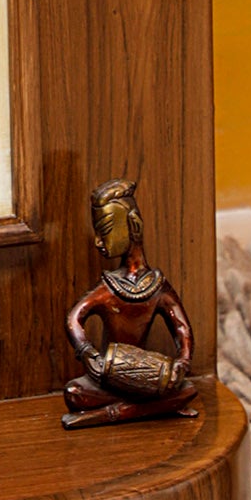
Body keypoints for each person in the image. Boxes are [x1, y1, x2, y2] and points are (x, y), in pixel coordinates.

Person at [62, 178, 199, 428]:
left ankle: (107, 415)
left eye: (106, 231)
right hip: (109, 375)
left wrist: (183, 362)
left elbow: (182, 329)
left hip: (146, 378)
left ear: (133, 226)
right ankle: (140, 411)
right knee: (74, 393)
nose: (97, 241)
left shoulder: (158, 287)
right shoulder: (107, 289)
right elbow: (74, 318)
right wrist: (89, 354)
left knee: (187, 389)